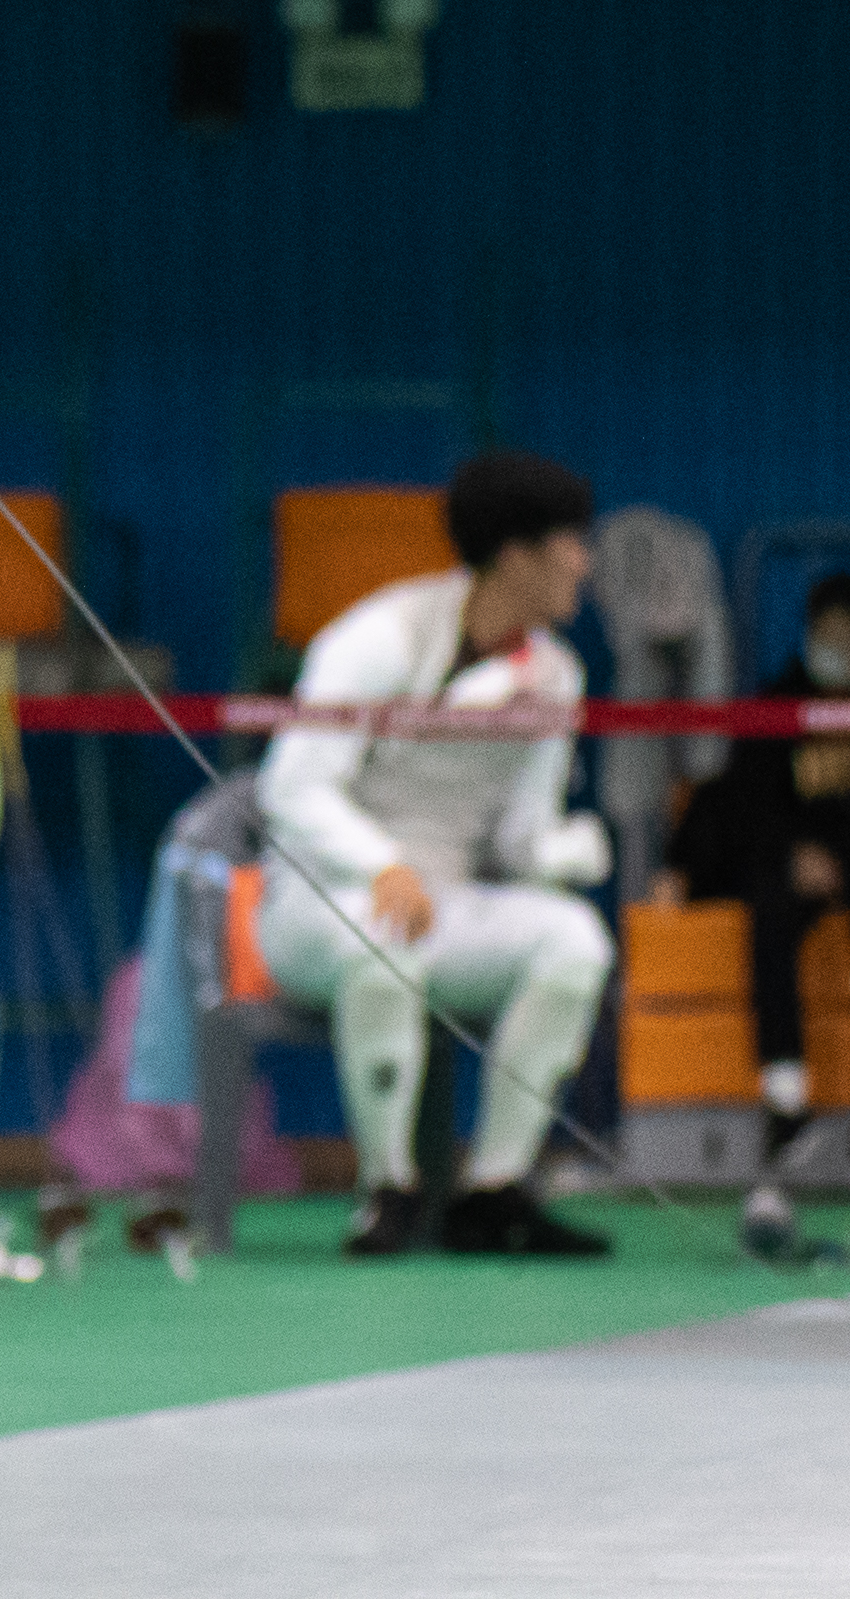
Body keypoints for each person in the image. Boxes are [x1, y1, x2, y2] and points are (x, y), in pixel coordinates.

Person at [253, 450, 618, 1258]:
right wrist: (383, 862)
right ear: (518, 555)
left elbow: (519, 837)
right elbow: (293, 787)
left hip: (442, 900)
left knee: (574, 942)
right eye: (572, 543)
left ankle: (493, 1191)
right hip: (323, 902)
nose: (584, 563)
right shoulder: (382, 637)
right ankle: (389, 1187)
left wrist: (563, 852)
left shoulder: (556, 676)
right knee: (386, 940)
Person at [657, 569, 850, 1127]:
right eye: (823, 633)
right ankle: (785, 1085)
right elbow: (741, 796)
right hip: (795, 860)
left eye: (847, 633)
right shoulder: (784, 699)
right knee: (769, 898)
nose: (835, 647)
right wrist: (683, 865)